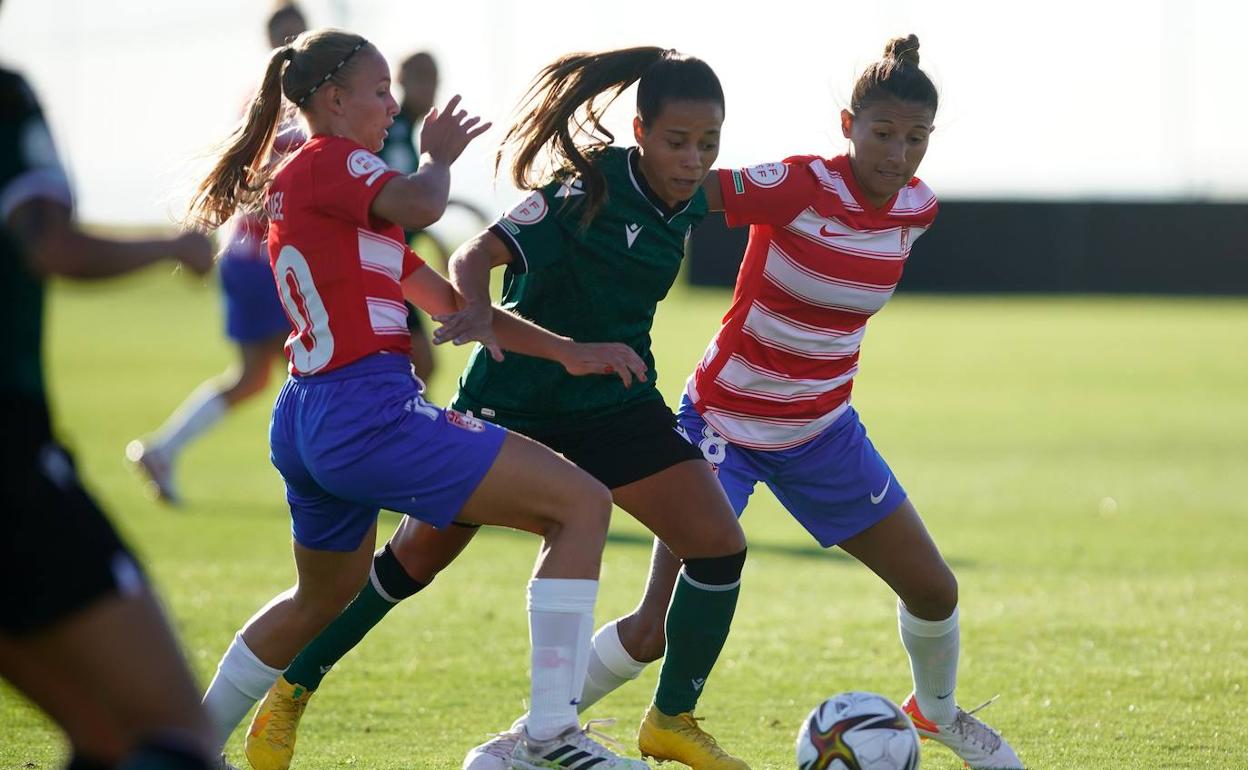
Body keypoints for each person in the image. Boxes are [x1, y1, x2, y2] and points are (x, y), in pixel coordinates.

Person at [242, 46, 753, 770]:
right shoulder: (586, 191)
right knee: (413, 560)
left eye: (709, 143)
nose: (694, 158)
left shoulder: (697, 196)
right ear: (638, 131)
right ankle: (293, 689)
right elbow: (472, 254)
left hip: (614, 402)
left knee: (719, 546)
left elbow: (786, 193)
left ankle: (663, 720)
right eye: (677, 141)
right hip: (518, 397)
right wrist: (477, 310)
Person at [663, 35, 1017, 770]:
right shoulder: (798, 185)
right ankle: (539, 734)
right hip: (723, 423)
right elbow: (687, 187)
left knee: (934, 589)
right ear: (847, 123)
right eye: (883, 133)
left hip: (821, 432)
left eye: (915, 138)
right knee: (656, 626)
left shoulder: (917, 209)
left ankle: (936, 713)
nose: (898, 153)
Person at [0, 53, 219, 770]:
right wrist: (175, 246)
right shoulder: (7, 100)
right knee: (173, 738)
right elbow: (50, 245)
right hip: (8, 459)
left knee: (100, 734)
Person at [125, 1, 310, 505]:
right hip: (260, 260)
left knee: (259, 377)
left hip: (259, 258)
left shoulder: (294, 98)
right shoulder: (271, 101)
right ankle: (324, 478)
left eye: (301, 38)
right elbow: (255, 179)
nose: (294, 48)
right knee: (308, 367)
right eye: (287, 38)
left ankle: (163, 449)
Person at [378, 50, 439, 385]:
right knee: (419, 363)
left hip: (393, 265)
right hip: (385, 267)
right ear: (400, 81)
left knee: (419, 365)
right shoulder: (394, 133)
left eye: (434, 80)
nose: (429, 89)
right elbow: (403, 202)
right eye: (422, 79)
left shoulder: (404, 130)